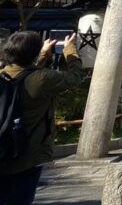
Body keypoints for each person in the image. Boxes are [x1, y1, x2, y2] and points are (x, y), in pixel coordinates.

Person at [0, 32, 82, 204]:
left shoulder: (3, 76)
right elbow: (73, 77)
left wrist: (43, 55)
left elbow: (22, 75)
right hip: (27, 155)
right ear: (33, 53)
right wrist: (70, 49)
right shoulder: (42, 79)